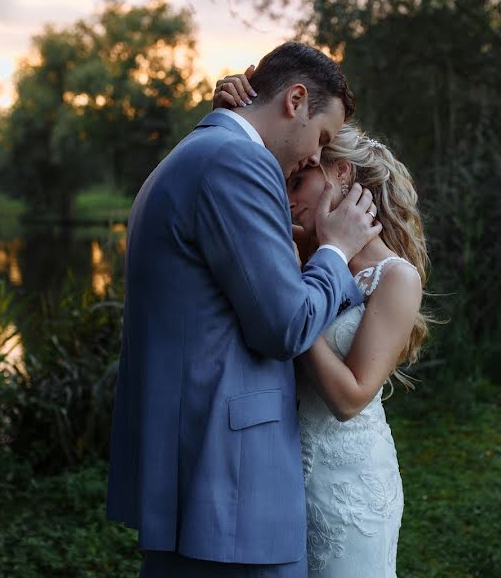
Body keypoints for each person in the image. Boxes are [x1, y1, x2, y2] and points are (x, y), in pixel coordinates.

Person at [105, 42, 382, 578]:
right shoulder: (238, 161)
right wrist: (337, 251)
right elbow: (285, 325)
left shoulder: (196, 152)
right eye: (322, 136)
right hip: (233, 487)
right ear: (295, 100)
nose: (313, 157)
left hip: (190, 475)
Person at [214, 73, 430, 577]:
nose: (285, 197)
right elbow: (227, 188)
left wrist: (289, 310)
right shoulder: (299, 250)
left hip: (349, 488)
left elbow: (350, 397)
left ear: (343, 175)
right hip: (281, 479)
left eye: (297, 181)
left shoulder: (395, 279)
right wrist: (230, 112)